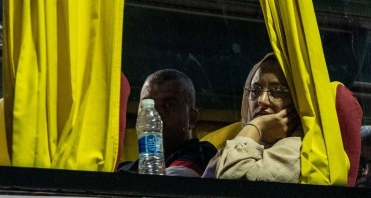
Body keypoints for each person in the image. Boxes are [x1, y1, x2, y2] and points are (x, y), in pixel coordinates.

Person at [205, 53, 302, 182]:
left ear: (296, 101)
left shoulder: (296, 150)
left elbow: (228, 181)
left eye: (278, 92)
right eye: (255, 90)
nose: (262, 100)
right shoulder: (232, 140)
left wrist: (257, 126)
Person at [118, 69, 217, 176]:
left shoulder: (201, 154)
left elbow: (163, 187)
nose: (155, 114)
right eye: (147, 106)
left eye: (169, 105)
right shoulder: (124, 167)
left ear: (191, 118)